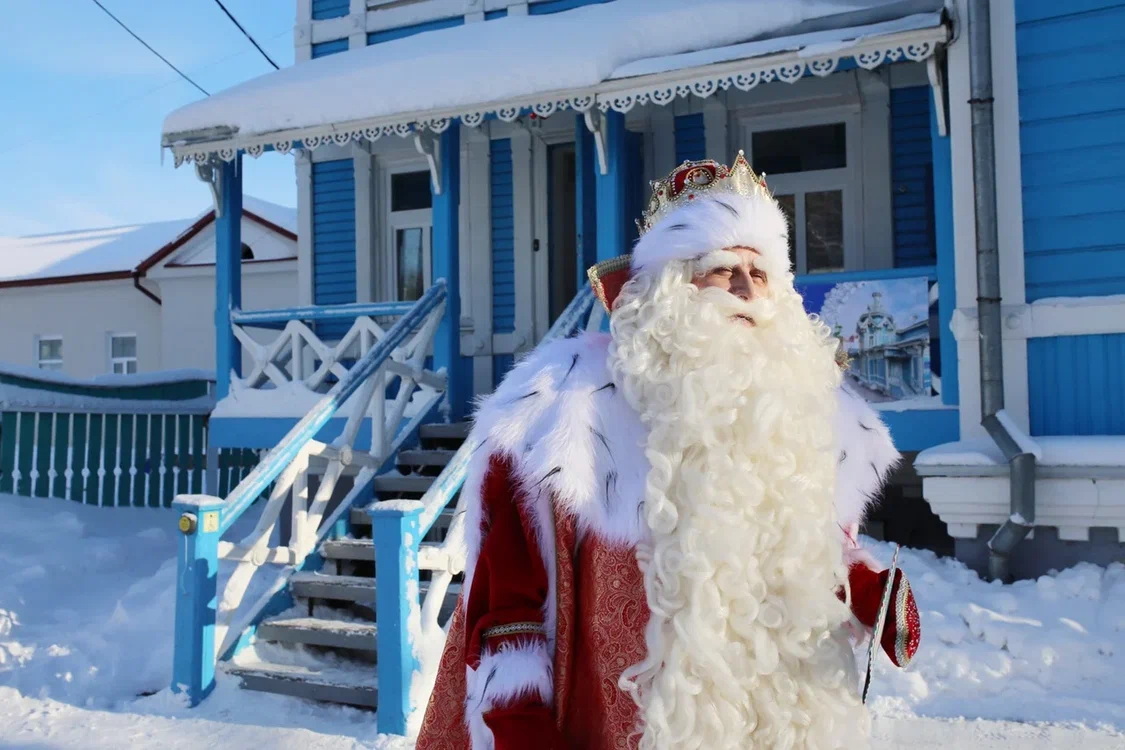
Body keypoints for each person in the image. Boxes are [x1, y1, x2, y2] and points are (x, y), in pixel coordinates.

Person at [417, 152, 920, 750]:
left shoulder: (804, 407)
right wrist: (518, 722)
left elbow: (810, 549)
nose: (745, 289)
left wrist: (866, 588)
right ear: (668, 287)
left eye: (761, 275)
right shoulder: (568, 404)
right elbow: (511, 593)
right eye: (719, 269)